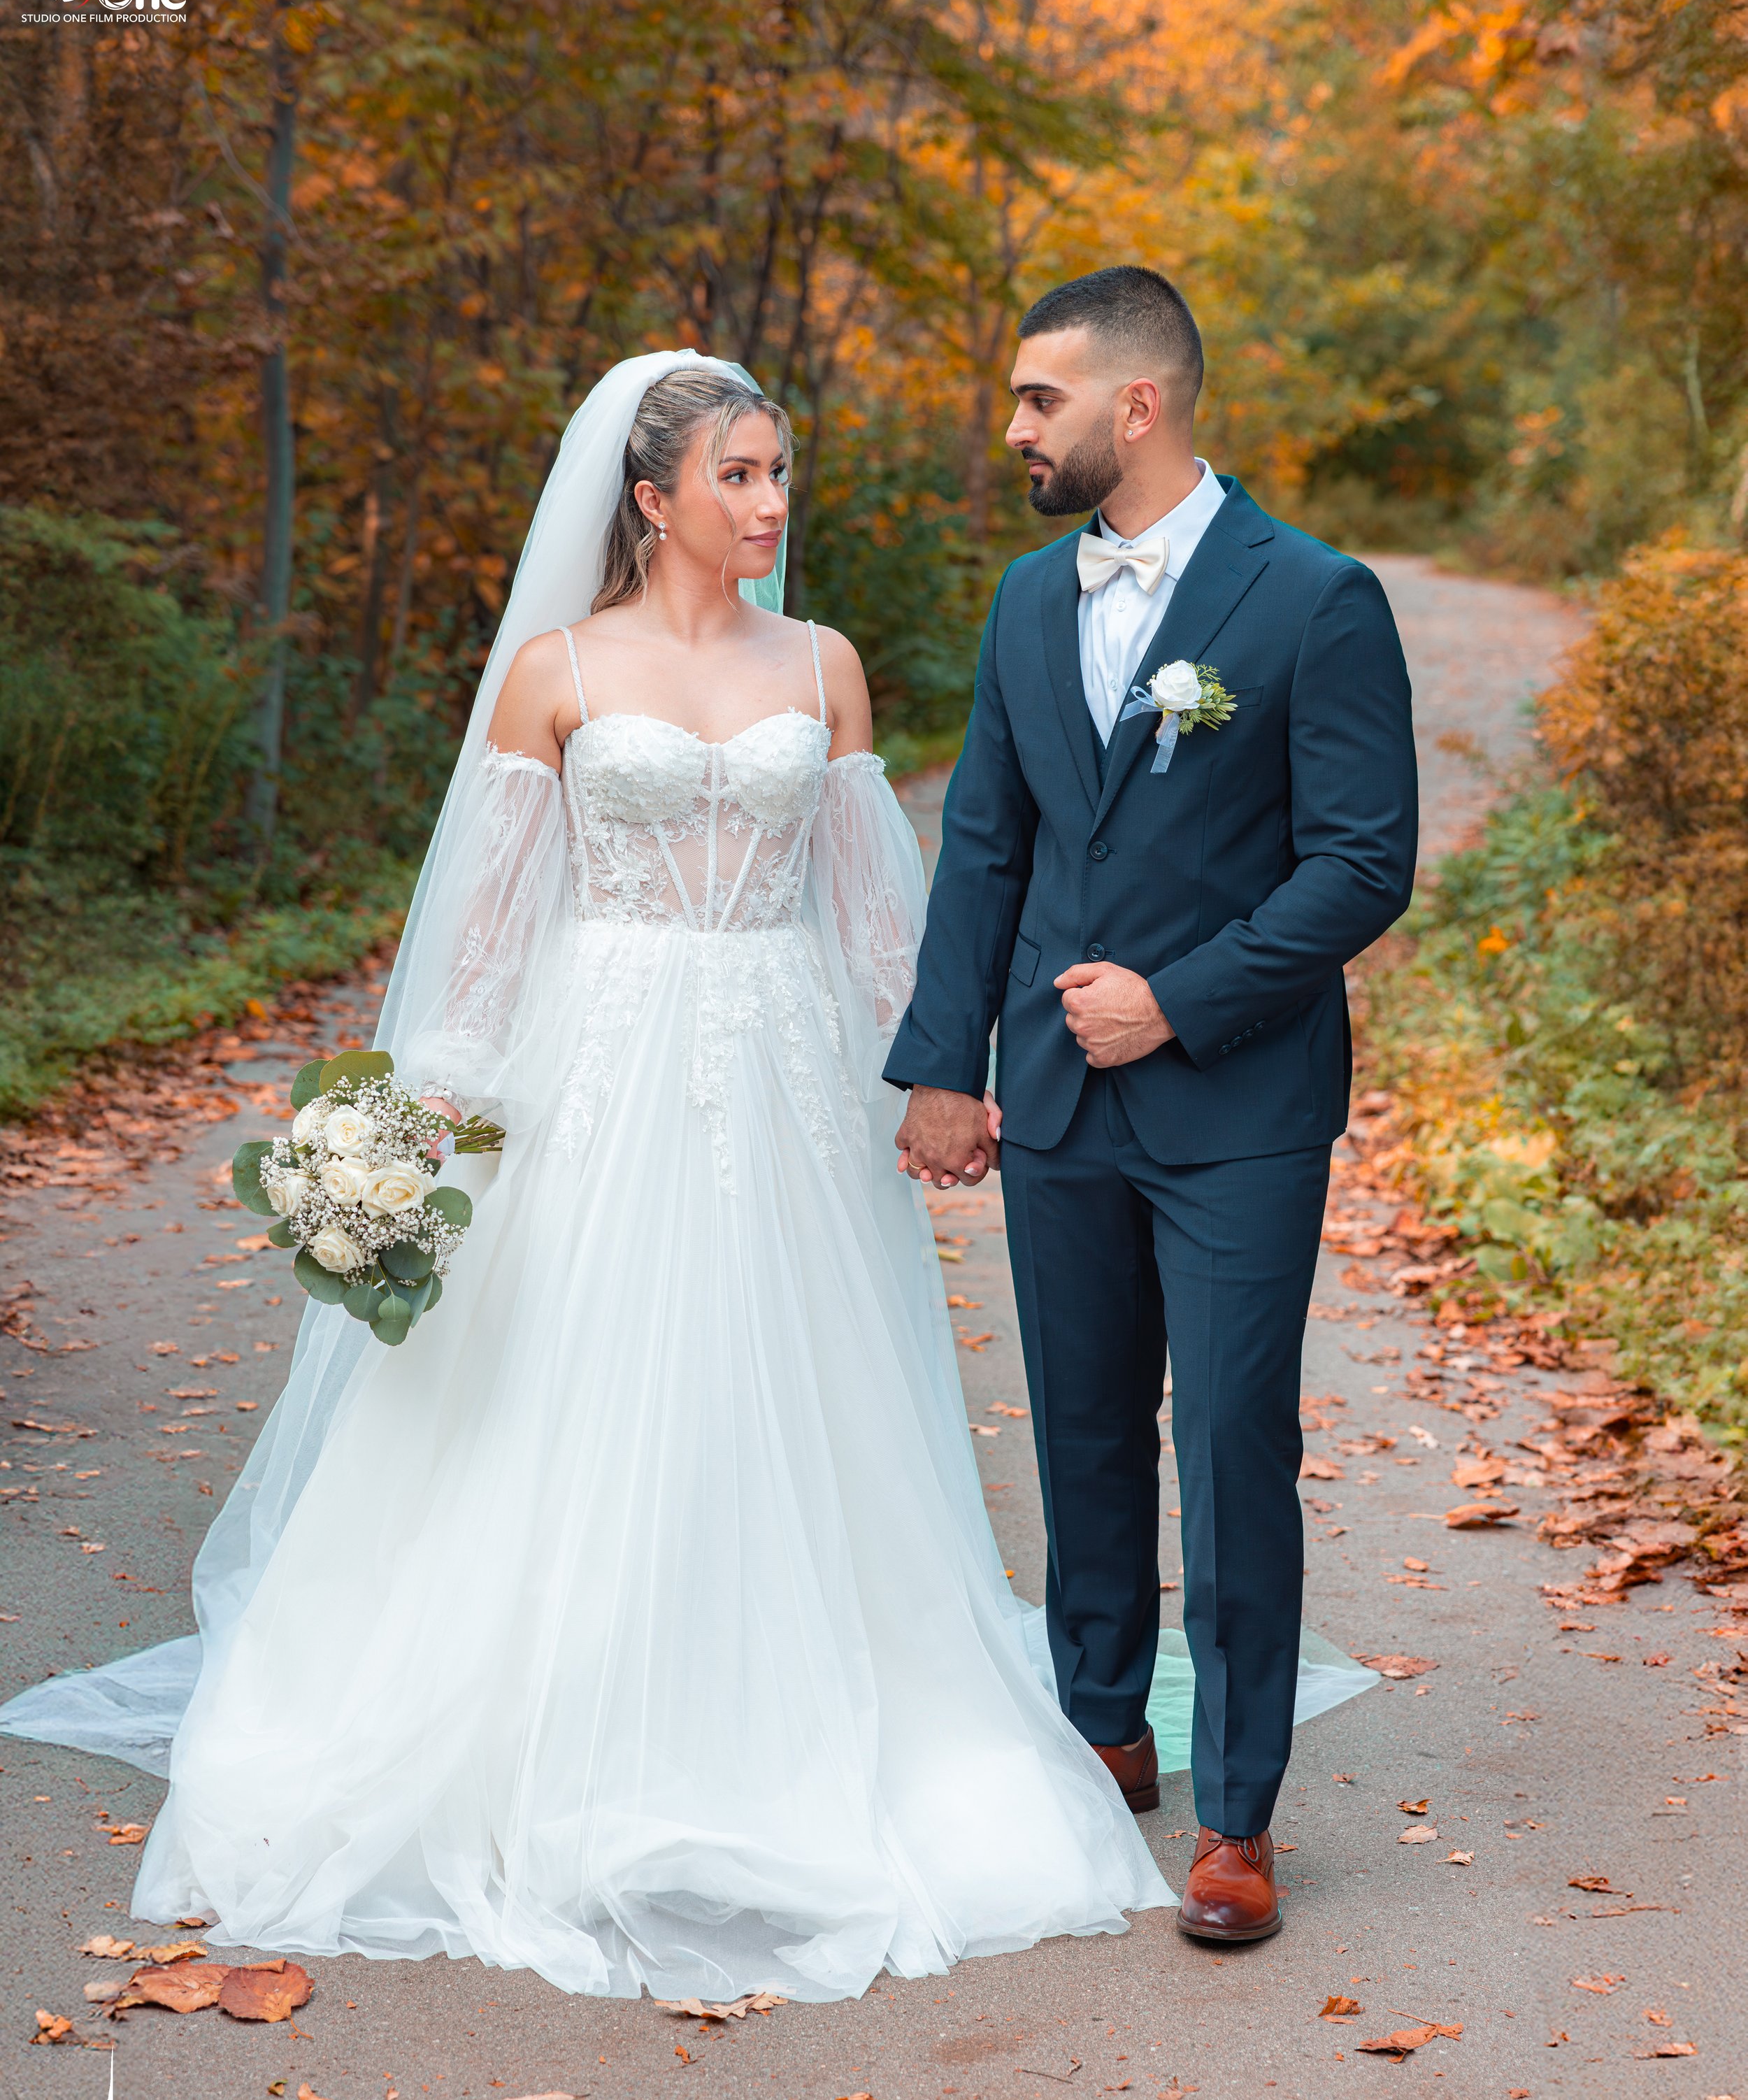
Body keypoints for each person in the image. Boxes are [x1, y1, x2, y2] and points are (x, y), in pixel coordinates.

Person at [0, 353, 1171, 2001]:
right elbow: (483, 938)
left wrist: (935, 1078)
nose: (769, 504)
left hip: (776, 1074)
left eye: (777, 473)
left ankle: (788, 1710)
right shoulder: (553, 672)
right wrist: (417, 1124)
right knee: (574, 1376)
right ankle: (547, 1723)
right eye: (738, 476)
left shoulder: (821, 664)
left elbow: (871, 919)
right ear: (649, 498)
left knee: (781, 1382)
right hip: (595, 1066)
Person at [886, 269, 1418, 1944]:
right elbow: (986, 845)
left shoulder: (1314, 598)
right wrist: (942, 1063)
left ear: (1137, 404)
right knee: (1083, 1426)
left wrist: (1175, 1000)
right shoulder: (1023, 602)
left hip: (1237, 1101)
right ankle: (1101, 1727)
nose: (1012, 427)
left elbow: (1361, 864)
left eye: (1036, 398)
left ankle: (1237, 1815)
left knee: (1232, 1439)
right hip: (1053, 1097)